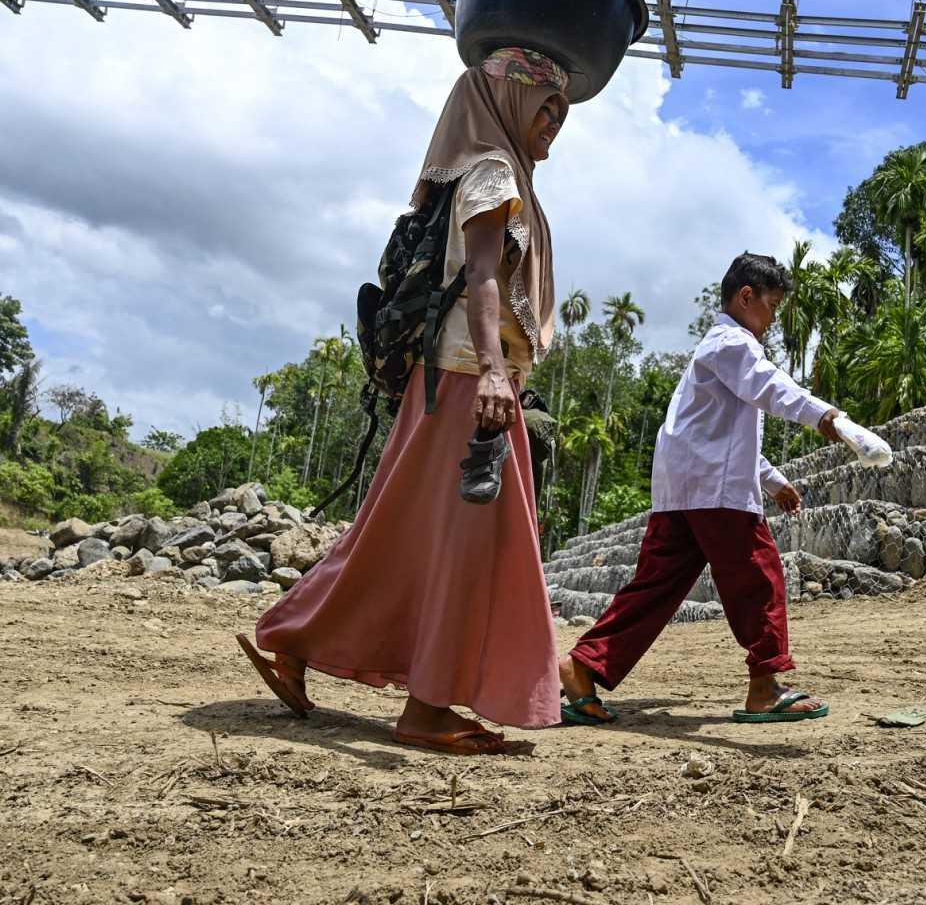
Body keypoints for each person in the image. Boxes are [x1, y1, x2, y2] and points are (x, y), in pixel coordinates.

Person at [241, 48, 570, 754]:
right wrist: (489, 374)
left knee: (406, 532)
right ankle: (425, 708)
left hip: (458, 379)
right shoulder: (491, 169)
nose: (553, 125)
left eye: (560, 112)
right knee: (468, 543)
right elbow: (482, 276)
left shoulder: (483, 170)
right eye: (544, 108)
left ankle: (295, 639)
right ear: (506, 104)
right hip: (465, 380)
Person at [557, 252, 879, 725]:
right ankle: (766, 686)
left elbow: (720, 434)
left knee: (655, 587)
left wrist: (771, 480)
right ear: (746, 296)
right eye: (771, 306)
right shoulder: (734, 344)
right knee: (760, 577)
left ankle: (583, 666)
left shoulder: (711, 352)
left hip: (683, 492)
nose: (771, 321)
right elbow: (770, 386)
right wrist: (824, 415)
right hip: (714, 492)